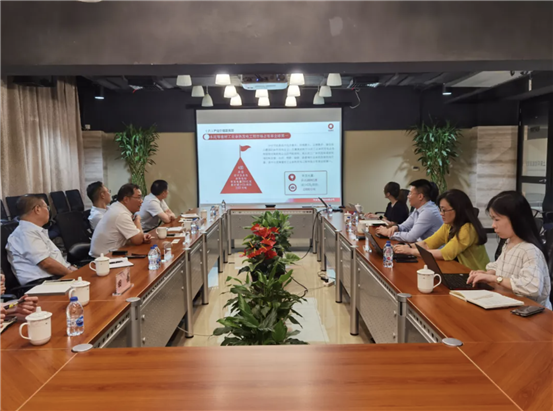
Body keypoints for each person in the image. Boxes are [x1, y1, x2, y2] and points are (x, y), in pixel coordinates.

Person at [467, 191, 552, 309]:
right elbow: (501, 267)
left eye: (496, 219)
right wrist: (486, 274)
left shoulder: (530, 250)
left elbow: (532, 287)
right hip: (511, 305)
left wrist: (495, 279)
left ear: (515, 219)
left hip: (533, 313)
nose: (493, 225)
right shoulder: (509, 243)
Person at [393, 189, 490, 271]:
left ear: (458, 209)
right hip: (457, 270)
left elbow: (444, 253)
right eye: (440, 209)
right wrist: (407, 247)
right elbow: (427, 244)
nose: (441, 213)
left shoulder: (468, 229)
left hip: (474, 274)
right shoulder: (448, 225)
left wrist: (410, 251)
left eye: (444, 210)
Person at [6, 195, 77, 286]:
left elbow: (54, 259)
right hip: (42, 284)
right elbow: (47, 264)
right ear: (37, 209)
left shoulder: (34, 231)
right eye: (47, 207)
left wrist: (71, 269)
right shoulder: (25, 233)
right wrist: (72, 274)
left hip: (55, 278)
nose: (48, 211)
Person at [90, 183, 152, 257]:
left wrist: (142, 235)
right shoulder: (121, 214)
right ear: (126, 199)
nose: (141, 201)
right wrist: (137, 220)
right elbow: (138, 240)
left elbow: (134, 237)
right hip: (103, 258)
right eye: (138, 198)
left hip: (112, 252)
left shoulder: (116, 207)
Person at [376, 179, 442, 242]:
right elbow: (405, 226)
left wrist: (388, 233)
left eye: (410, 193)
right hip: (420, 245)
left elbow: (411, 237)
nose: (408, 196)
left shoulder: (428, 212)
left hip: (431, 249)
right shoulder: (418, 209)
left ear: (420, 196)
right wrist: (396, 227)